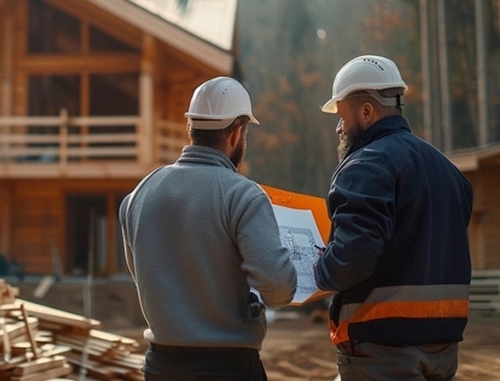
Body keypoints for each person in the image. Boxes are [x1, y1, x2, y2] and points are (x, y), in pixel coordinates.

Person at [119, 76, 297, 381]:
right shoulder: (242, 195)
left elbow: (143, 274)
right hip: (228, 368)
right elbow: (279, 289)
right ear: (236, 134)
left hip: (161, 367)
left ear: (191, 129)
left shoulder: (140, 194)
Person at [314, 55, 474, 381]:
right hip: (443, 350)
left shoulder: (365, 165)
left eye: (342, 117)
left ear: (367, 112)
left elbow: (351, 259)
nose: (339, 127)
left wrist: (316, 269)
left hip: (382, 352)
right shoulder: (448, 172)